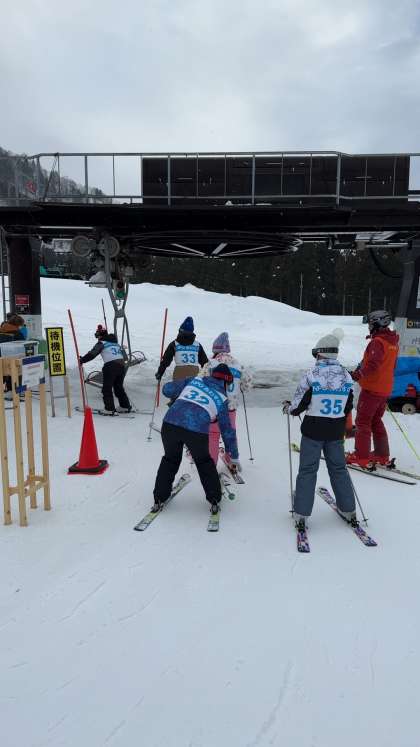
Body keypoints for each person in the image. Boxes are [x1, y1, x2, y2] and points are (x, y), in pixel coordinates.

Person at [283, 330, 357, 531]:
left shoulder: (312, 375)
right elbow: (348, 404)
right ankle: (349, 509)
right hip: (335, 432)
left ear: (320, 353)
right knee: (339, 469)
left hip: (313, 432)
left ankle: (301, 513)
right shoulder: (346, 375)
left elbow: (298, 406)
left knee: (308, 470)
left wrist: (289, 408)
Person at [152, 364, 239, 514]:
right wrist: (233, 453)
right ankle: (214, 498)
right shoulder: (222, 399)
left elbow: (167, 389)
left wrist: (182, 389)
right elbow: (227, 431)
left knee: (170, 459)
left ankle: (159, 497)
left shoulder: (195, 380)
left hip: (170, 424)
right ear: (226, 382)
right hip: (196, 430)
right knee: (204, 462)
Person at [346, 310, 399, 468]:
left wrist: (357, 375)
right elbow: (391, 366)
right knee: (375, 420)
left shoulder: (378, 342)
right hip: (385, 389)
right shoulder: (392, 342)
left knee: (362, 421)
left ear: (377, 324)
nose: (369, 327)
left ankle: (361, 456)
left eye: (370, 324)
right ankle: (382, 455)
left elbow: (373, 365)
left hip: (372, 389)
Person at [201, 331, 252, 468]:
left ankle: (211, 464)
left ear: (215, 350)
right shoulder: (238, 364)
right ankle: (232, 459)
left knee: (213, 434)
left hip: (214, 407)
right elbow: (247, 385)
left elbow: (201, 381)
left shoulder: (211, 364)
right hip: (231, 407)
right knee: (230, 433)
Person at [79, 325, 131, 415]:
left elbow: (92, 354)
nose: (97, 338)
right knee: (118, 387)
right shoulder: (116, 344)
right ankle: (125, 406)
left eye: (97, 336)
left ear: (100, 335)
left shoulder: (101, 343)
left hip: (111, 366)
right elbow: (124, 357)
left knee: (107, 388)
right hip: (122, 366)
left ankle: (109, 409)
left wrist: (82, 360)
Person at [155, 317, 208, 382]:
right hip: (194, 372)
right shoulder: (197, 345)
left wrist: (160, 373)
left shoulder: (174, 344)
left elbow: (166, 360)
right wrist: (206, 377)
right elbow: (205, 363)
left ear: (180, 331)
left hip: (179, 371)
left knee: (178, 387)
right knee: (190, 387)